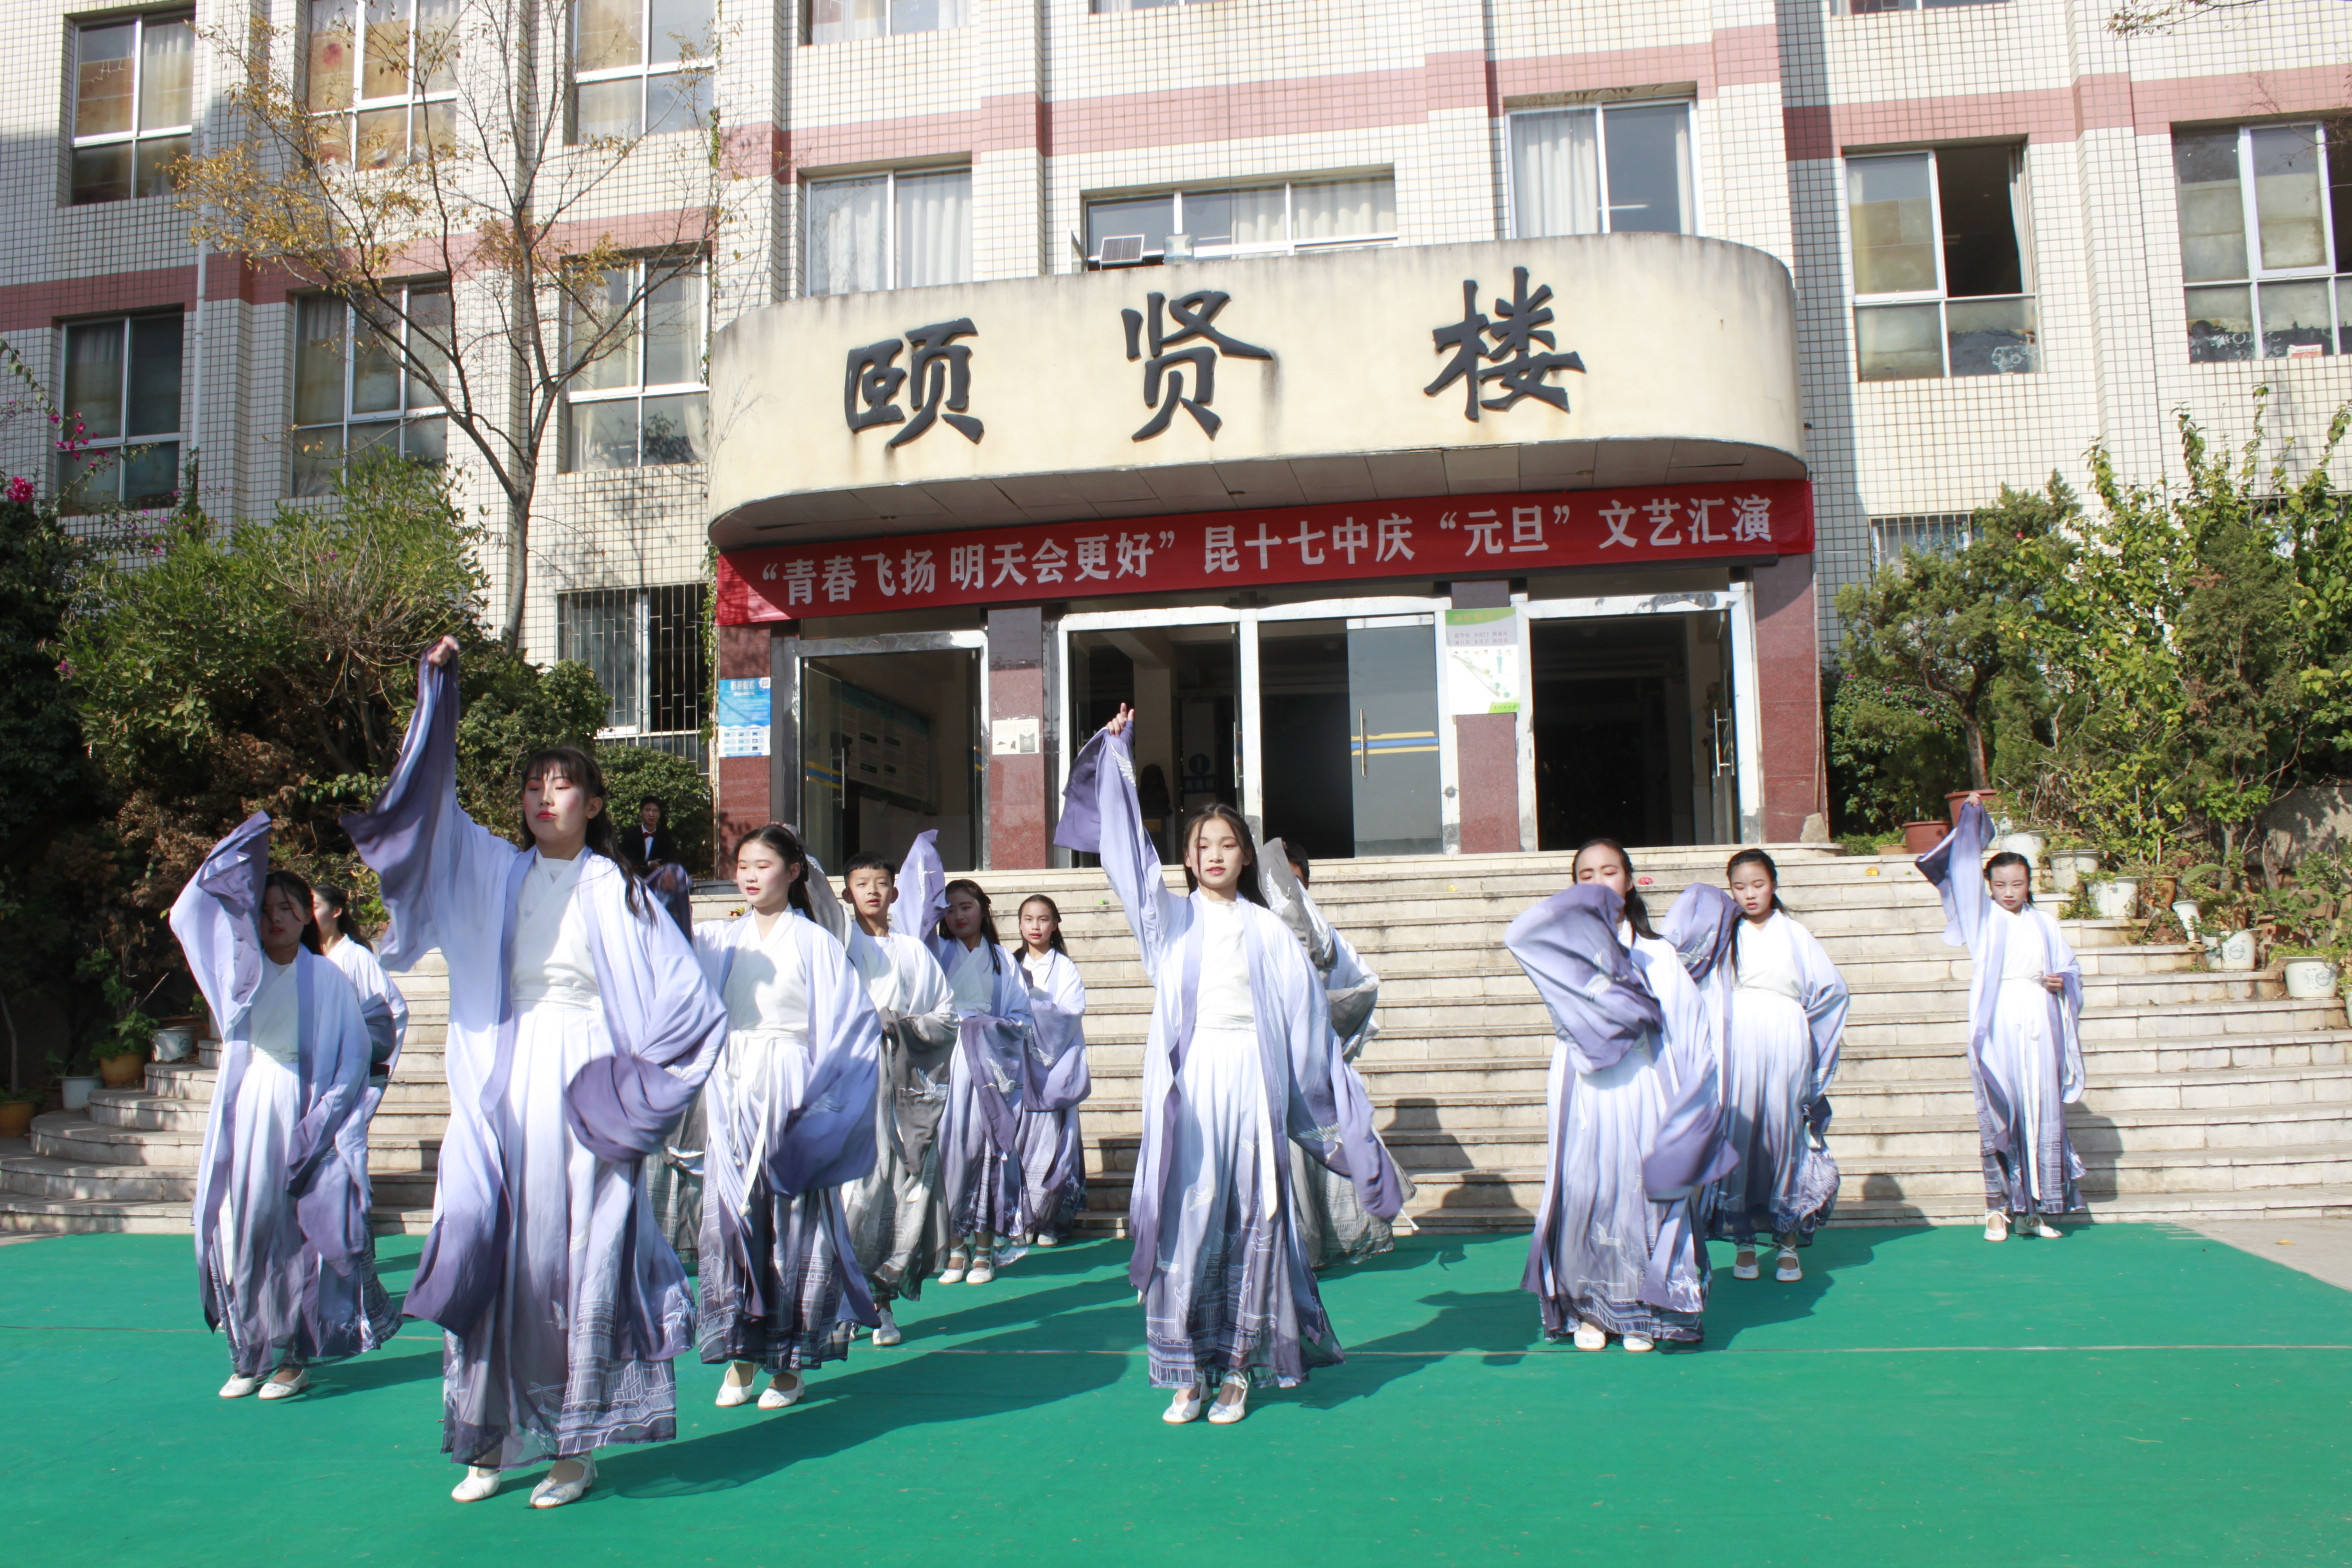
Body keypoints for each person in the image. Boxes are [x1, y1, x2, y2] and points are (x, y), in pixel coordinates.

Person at [343, 636, 728, 1509]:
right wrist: (436, 695)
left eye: (561, 784)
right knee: (492, 1238)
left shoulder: (620, 892)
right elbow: (427, 809)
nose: (543, 796)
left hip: (588, 1085)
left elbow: (690, 1007)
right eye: (531, 784)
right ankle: (488, 1436)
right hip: (504, 1077)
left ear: (595, 803)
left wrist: (640, 1100)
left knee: (577, 1252)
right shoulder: (491, 869)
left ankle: (575, 1445)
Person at [1056, 705, 1402, 1425]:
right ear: (1187, 858)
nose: (1214, 854)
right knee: (1186, 1214)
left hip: (1250, 1076)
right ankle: (1186, 1371)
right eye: (1202, 844)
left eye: (1227, 844)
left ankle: (1239, 1367)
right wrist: (1119, 760)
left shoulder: (1269, 932)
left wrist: (1335, 1110)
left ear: (1246, 857)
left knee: (1252, 1211)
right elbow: (1128, 860)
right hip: (1188, 1083)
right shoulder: (1167, 921)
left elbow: (1309, 1025)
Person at [170, 818, 394, 1401]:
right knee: (241, 1229)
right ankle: (248, 1352)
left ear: (307, 918)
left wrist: (323, 1124)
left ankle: (292, 1357)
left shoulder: (327, 977)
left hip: (304, 1105)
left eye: (289, 908)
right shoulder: (237, 974)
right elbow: (188, 915)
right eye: (267, 908)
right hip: (248, 1103)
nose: (276, 918)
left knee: (294, 1234)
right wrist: (233, 854)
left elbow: (351, 1057)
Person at [1505, 840, 1729, 1352]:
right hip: (1583, 1088)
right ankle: (1590, 1308)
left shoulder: (1657, 953)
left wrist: (1694, 1107)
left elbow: (1691, 1031)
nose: (1598, 881)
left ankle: (1644, 1311)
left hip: (1641, 1084)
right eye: (1585, 875)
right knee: (1585, 1191)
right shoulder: (1559, 951)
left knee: (1639, 1192)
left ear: (1629, 882)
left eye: (1609, 871)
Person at [691, 824, 882, 1411]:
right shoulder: (722, 939)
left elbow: (851, 1026)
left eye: (763, 864)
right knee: (731, 1219)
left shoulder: (814, 941)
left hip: (791, 1084)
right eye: (742, 865)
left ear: (794, 871)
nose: (750, 875)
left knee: (794, 1224)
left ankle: (789, 1362)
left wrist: (823, 1106)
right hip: (733, 1087)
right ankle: (741, 1351)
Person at [901, 860, 1087, 1286]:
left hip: (989, 1066)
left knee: (987, 1151)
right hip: (947, 1061)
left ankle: (984, 1249)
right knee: (947, 1150)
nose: (958, 915)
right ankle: (954, 1247)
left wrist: (991, 1028)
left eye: (966, 906)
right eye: (949, 908)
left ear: (983, 910)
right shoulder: (934, 952)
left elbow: (1020, 1014)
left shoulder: (1002, 959)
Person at [1668, 854, 1847, 1283]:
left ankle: (1787, 1244)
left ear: (1774, 884)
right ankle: (1744, 1243)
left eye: (1758, 884)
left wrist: (1804, 1030)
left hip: (1785, 1035)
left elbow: (1831, 990)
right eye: (1739, 886)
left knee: (1783, 1134)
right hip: (1735, 1040)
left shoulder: (1795, 933)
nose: (1749, 894)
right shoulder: (1722, 935)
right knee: (1739, 1133)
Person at [1918, 800, 2085, 1241]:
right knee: (2000, 1110)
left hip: (2039, 1016)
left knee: (2038, 1107)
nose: (2009, 891)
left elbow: (2070, 968)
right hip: (1997, 1019)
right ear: (1988, 886)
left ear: (2030, 884)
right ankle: (1996, 1207)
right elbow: (1959, 864)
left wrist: (2061, 981)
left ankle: (2034, 1209)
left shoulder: (2045, 923)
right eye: (2000, 884)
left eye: (2018, 883)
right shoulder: (1982, 917)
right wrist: (1972, 817)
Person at [1261, 841, 1416, 1267]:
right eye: (1279, 883)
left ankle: (1307, 1250)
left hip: (1312, 1075)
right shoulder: (1255, 930)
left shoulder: (1326, 939)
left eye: (1295, 883)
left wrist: (1322, 1028)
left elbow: (1362, 987)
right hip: (1264, 1072)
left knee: (1316, 1160)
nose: (1288, 893)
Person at [831, 844, 959, 1346]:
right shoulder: (837, 946)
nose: (872, 892)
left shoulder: (913, 951)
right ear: (847, 893)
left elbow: (945, 1015)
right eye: (862, 884)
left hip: (905, 1085)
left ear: (895, 892)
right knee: (855, 1193)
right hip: (852, 1082)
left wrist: (901, 1028)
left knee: (902, 1192)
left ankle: (880, 1302)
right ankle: (843, 1302)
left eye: (881, 883)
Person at [1010, 894, 1090, 1247]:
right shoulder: (1010, 964)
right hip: (1019, 1067)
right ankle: (1021, 1218)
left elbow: (1069, 1014)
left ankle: (1049, 1221)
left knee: (1055, 1145)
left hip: (1054, 1067)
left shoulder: (1065, 968)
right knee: (1020, 1143)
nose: (1035, 926)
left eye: (1043, 919)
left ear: (1055, 924)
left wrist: (1032, 1008)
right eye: (1028, 919)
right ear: (1019, 924)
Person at [310, 881, 409, 1099]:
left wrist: (363, 1048)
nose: (308, 915)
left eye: (314, 907)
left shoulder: (356, 957)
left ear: (336, 911)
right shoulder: (306, 958)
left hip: (348, 1067)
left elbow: (393, 1009)